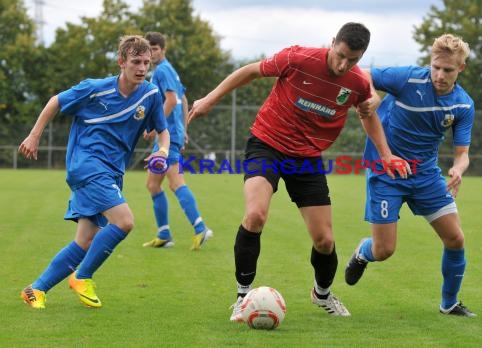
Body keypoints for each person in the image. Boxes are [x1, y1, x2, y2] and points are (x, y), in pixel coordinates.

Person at [188, 22, 408, 321]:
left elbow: (367, 116)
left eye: (353, 60)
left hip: (306, 158)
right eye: (340, 55)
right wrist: (210, 98)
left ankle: (322, 294)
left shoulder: (357, 82)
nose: (344, 64)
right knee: (255, 215)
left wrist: (386, 154)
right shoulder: (298, 58)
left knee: (325, 240)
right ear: (332, 43)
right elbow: (251, 70)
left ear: (361, 57)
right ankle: (242, 297)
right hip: (267, 143)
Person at [19, 35, 169, 309]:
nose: (142, 68)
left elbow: (163, 131)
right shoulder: (94, 89)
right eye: (136, 61)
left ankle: (35, 289)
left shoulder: (150, 94)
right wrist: (34, 135)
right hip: (86, 165)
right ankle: (82, 276)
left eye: (146, 63)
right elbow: (56, 101)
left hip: (112, 172)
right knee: (124, 222)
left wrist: (162, 151)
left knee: (86, 240)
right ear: (121, 62)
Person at [344, 34, 477, 317]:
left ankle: (449, 303)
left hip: (426, 176)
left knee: (455, 238)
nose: (440, 75)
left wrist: (458, 168)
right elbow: (361, 73)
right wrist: (372, 94)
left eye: (448, 70)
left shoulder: (464, 105)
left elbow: (462, 153)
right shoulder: (407, 78)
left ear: (461, 68)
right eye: (436, 67)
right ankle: (362, 253)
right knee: (384, 250)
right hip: (386, 171)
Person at [142, 32, 213, 250]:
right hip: (171, 135)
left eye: (155, 49)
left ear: (162, 49)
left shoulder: (162, 70)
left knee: (175, 183)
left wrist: (156, 126)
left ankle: (201, 228)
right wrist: (184, 129)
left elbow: (172, 100)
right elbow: (182, 99)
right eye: (149, 49)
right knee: (153, 184)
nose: (152, 53)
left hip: (166, 138)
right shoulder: (167, 70)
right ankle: (164, 234)